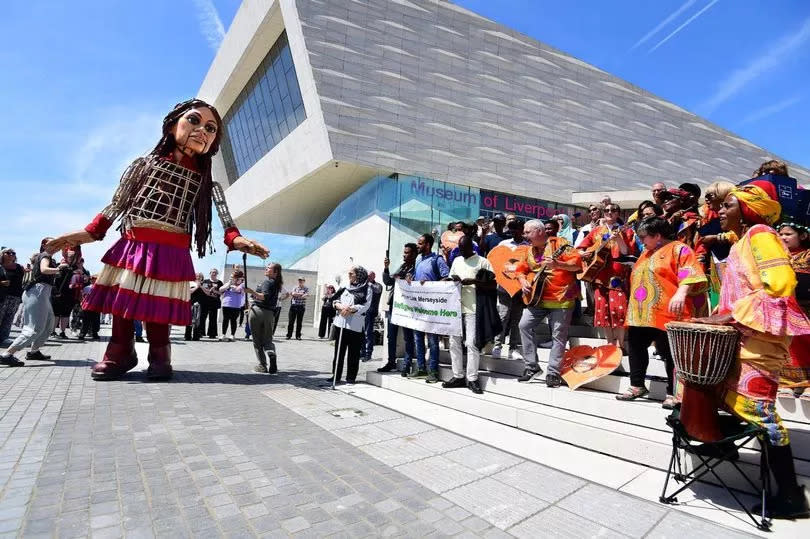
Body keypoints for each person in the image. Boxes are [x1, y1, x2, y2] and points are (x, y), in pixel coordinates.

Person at [45, 99, 268, 380]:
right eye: (194, 121)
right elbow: (114, 206)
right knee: (122, 303)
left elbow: (226, 222)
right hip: (134, 244)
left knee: (158, 307)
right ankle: (120, 351)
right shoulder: (143, 166)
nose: (202, 131)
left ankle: (160, 354)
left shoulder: (206, 183)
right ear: (173, 125)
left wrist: (236, 240)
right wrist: (85, 234)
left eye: (210, 128)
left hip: (171, 249)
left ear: (214, 142)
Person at [692, 181, 810, 519]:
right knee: (718, 394)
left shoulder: (761, 234)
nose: (721, 211)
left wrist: (729, 314)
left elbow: (782, 284)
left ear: (747, 209)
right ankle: (724, 446)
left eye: (729, 205)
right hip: (742, 337)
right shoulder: (745, 238)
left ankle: (791, 497)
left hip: (758, 341)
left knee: (762, 413)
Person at [617, 217, 708, 407]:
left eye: (644, 237)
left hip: (667, 310)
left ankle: (674, 392)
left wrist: (681, 293)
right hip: (640, 312)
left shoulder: (679, 249)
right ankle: (637, 385)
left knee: (669, 352)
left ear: (658, 235)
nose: (641, 241)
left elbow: (689, 272)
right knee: (636, 346)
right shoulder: (647, 253)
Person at [515, 220, 582, 386]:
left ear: (539, 231)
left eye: (527, 232)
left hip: (561, 298)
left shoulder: (560, 244)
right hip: (536, 299)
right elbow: (521, 269)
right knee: (524, 325)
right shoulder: (528, 250)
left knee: (558, 337)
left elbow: (577, 264)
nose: (524, 236)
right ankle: (532, 367)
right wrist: (522, 280)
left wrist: (558, 264)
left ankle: (553, 372)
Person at [577, 203, 636, 350]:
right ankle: (609, 344)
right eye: (607, 210)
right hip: (599, 276)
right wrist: (583, 254)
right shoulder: (596, 231)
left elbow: (626, 252)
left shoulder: (626, 231)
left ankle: (621, 345)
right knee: (603, 311)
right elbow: (580, 248)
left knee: (619, 310)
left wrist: (618, 239)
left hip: (617, 276)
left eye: (613, 210)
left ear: (618, 214)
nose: (609, 212)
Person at [442, 235, 495, 394]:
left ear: (471, 247)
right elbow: (450, 279)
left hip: (473, 308)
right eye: (460, 249)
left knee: (471, 343)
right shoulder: (457, 261)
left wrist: (473, 281)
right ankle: (458, 376)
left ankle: (472, 378)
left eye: (464, 249)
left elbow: (493, 283)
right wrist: (451, 279)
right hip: (456, 308)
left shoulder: (482, 261)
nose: (462, 251)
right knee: (453, 343)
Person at [0, 238, 63, 366]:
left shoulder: (48, 257)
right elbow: (44, 269)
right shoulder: (45, 256)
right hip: (37, 293)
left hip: (42, 293)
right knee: (34, 328)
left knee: (49, 324)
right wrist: (59, 269)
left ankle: (34, 351)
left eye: (58, 243)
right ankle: (7, 354)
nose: (57, 245)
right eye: (53, 243)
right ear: (44, 245)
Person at [408, 233, 450, 382]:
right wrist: (410, 279)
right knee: (418, 338)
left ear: (427, 245)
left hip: (432, 308)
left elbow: (447, 277)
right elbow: (416, 278)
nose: (417, 246)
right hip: (419, 307)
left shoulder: (436, 260)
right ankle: (420, 368)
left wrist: (432, 284)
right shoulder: (418, 259)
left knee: (432, 340)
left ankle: (433, 371)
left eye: (420, 243)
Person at [777, 223, 810, 400]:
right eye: (780, 234)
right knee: (788, 347)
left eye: (788, 234)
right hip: (785, 310)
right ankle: (789, 383)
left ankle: (807, 385)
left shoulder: (808, 254)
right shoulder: (777, 256)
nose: (783, 238)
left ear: (803, 236)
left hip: (806, 309)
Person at [377, 243, 417, 373]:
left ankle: (407, 363)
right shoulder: (402, 266)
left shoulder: (416, 268)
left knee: (408, 336)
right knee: (391, 336)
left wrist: (408, 279)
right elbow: (388, 281)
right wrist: (386, 268)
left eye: (407, 253)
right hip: (395, 306)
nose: (404, 255)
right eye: (404, 252)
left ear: (414, 254)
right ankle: (390, 362)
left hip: (407, 307)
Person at [492, 219, 528, 361]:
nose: (513, 232)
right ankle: (497, 346)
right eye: (511, 229)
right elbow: (496, 263)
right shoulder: (503, 245)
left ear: (522, 229)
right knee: (503, 316)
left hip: (520, 289)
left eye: (516, 228)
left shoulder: (528, 247)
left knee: (517, 319)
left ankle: (513, 348)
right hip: (504, 287)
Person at [331, 266, 371, 385]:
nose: (349, 275)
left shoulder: (366, 289)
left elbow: (366, 305)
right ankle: (336, 376)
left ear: (359, 275)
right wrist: (340, 306)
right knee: (339, 352)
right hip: (341, 324)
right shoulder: (345, 287)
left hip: (355, 325)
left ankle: (351, 377)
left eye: (351, 273)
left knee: (353, 353)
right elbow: (335, 299)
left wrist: (351, 309)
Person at [245, 263, 282, 373]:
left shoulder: (267, 282)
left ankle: (262, 365)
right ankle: (271, 354)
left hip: (258, 312)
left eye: (269, 268)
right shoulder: (276, 283)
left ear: (275, 272)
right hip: (269, 314)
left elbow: (263, 297)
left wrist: (250, 291)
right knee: (268, 340)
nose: (266, 268)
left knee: (257, 341)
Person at [51, 246, 80, 339]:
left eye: (73, 257)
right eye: (70, 256)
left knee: (66, 314)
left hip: (70, 295)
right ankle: (52, 331)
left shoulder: (77, 268)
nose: (72, 258)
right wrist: (60, 267)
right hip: (58, 294)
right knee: (56, 313)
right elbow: (54, 279)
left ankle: (62, 332)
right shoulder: (60, 265)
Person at [0, 248, 25, 345]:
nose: (11, 254)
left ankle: (4, 338)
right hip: (2, 296)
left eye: (13, 253)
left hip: (15, 296)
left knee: (9, 318)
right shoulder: (0, 266)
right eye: (8, 253)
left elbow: (22, 281)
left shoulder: (19, 267)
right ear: (2, 254)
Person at [219, 269, 245, 341]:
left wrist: (235, 284)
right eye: (231, 277)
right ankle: (223, 334)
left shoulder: (242, 285)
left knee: (233, 320)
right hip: (226, 304)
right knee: (225, 320)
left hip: (236, 306)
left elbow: (238, 290)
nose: (231, 278)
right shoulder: (228, 283)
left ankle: (232, 335)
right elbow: (220, 289)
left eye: (233, 277)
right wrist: (229, 283)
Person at [362, 272, 383, 361]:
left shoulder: (377, 285)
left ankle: (368, 353)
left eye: (370, 276)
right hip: (362, 311)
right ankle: (362, 352)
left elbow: (377, 290)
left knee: (368, 332)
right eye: (368, 276)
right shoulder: (364, 285)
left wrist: (369, 283)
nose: (368, 277)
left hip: (371, 311)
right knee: (362, 333)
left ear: (374, 276)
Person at [200, 268, 223, 339]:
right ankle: (201, 332)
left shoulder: (219, 282)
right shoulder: (205, 281)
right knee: (202, 318)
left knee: (213, 318)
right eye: (213, 272)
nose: (214, 274)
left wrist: (215, 291)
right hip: (205, 302)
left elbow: (221, 293)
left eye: (215, 272)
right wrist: (209, 290)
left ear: (217, 274)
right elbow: (203, 291)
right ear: (210, 273)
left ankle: (212, 333)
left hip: (214, 303)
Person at [78, 276, 101, 341]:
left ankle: (94, 333)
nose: (94, 280)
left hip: (96, 307)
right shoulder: (87, 288)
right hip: (87, 307)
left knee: (95, 321)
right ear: (90, 280)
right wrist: (82, 303)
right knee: (85, 321)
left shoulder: (100, 288)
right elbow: (82, 296)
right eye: (92, 279)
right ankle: (82, 334)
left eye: (96, 279)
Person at [185, 273, 205, 341]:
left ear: (202, 278)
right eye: (197, 276)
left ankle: (196, 336)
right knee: (190, 321)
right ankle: (187, 336)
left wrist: (201, 286)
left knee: (198, 321)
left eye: (200, 276)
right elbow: (189, 292)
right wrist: (197, 287)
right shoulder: (191, 283)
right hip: (191, 304)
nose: (198, 277)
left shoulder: (204, 284)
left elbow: (208, 292)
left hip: (201, 304)